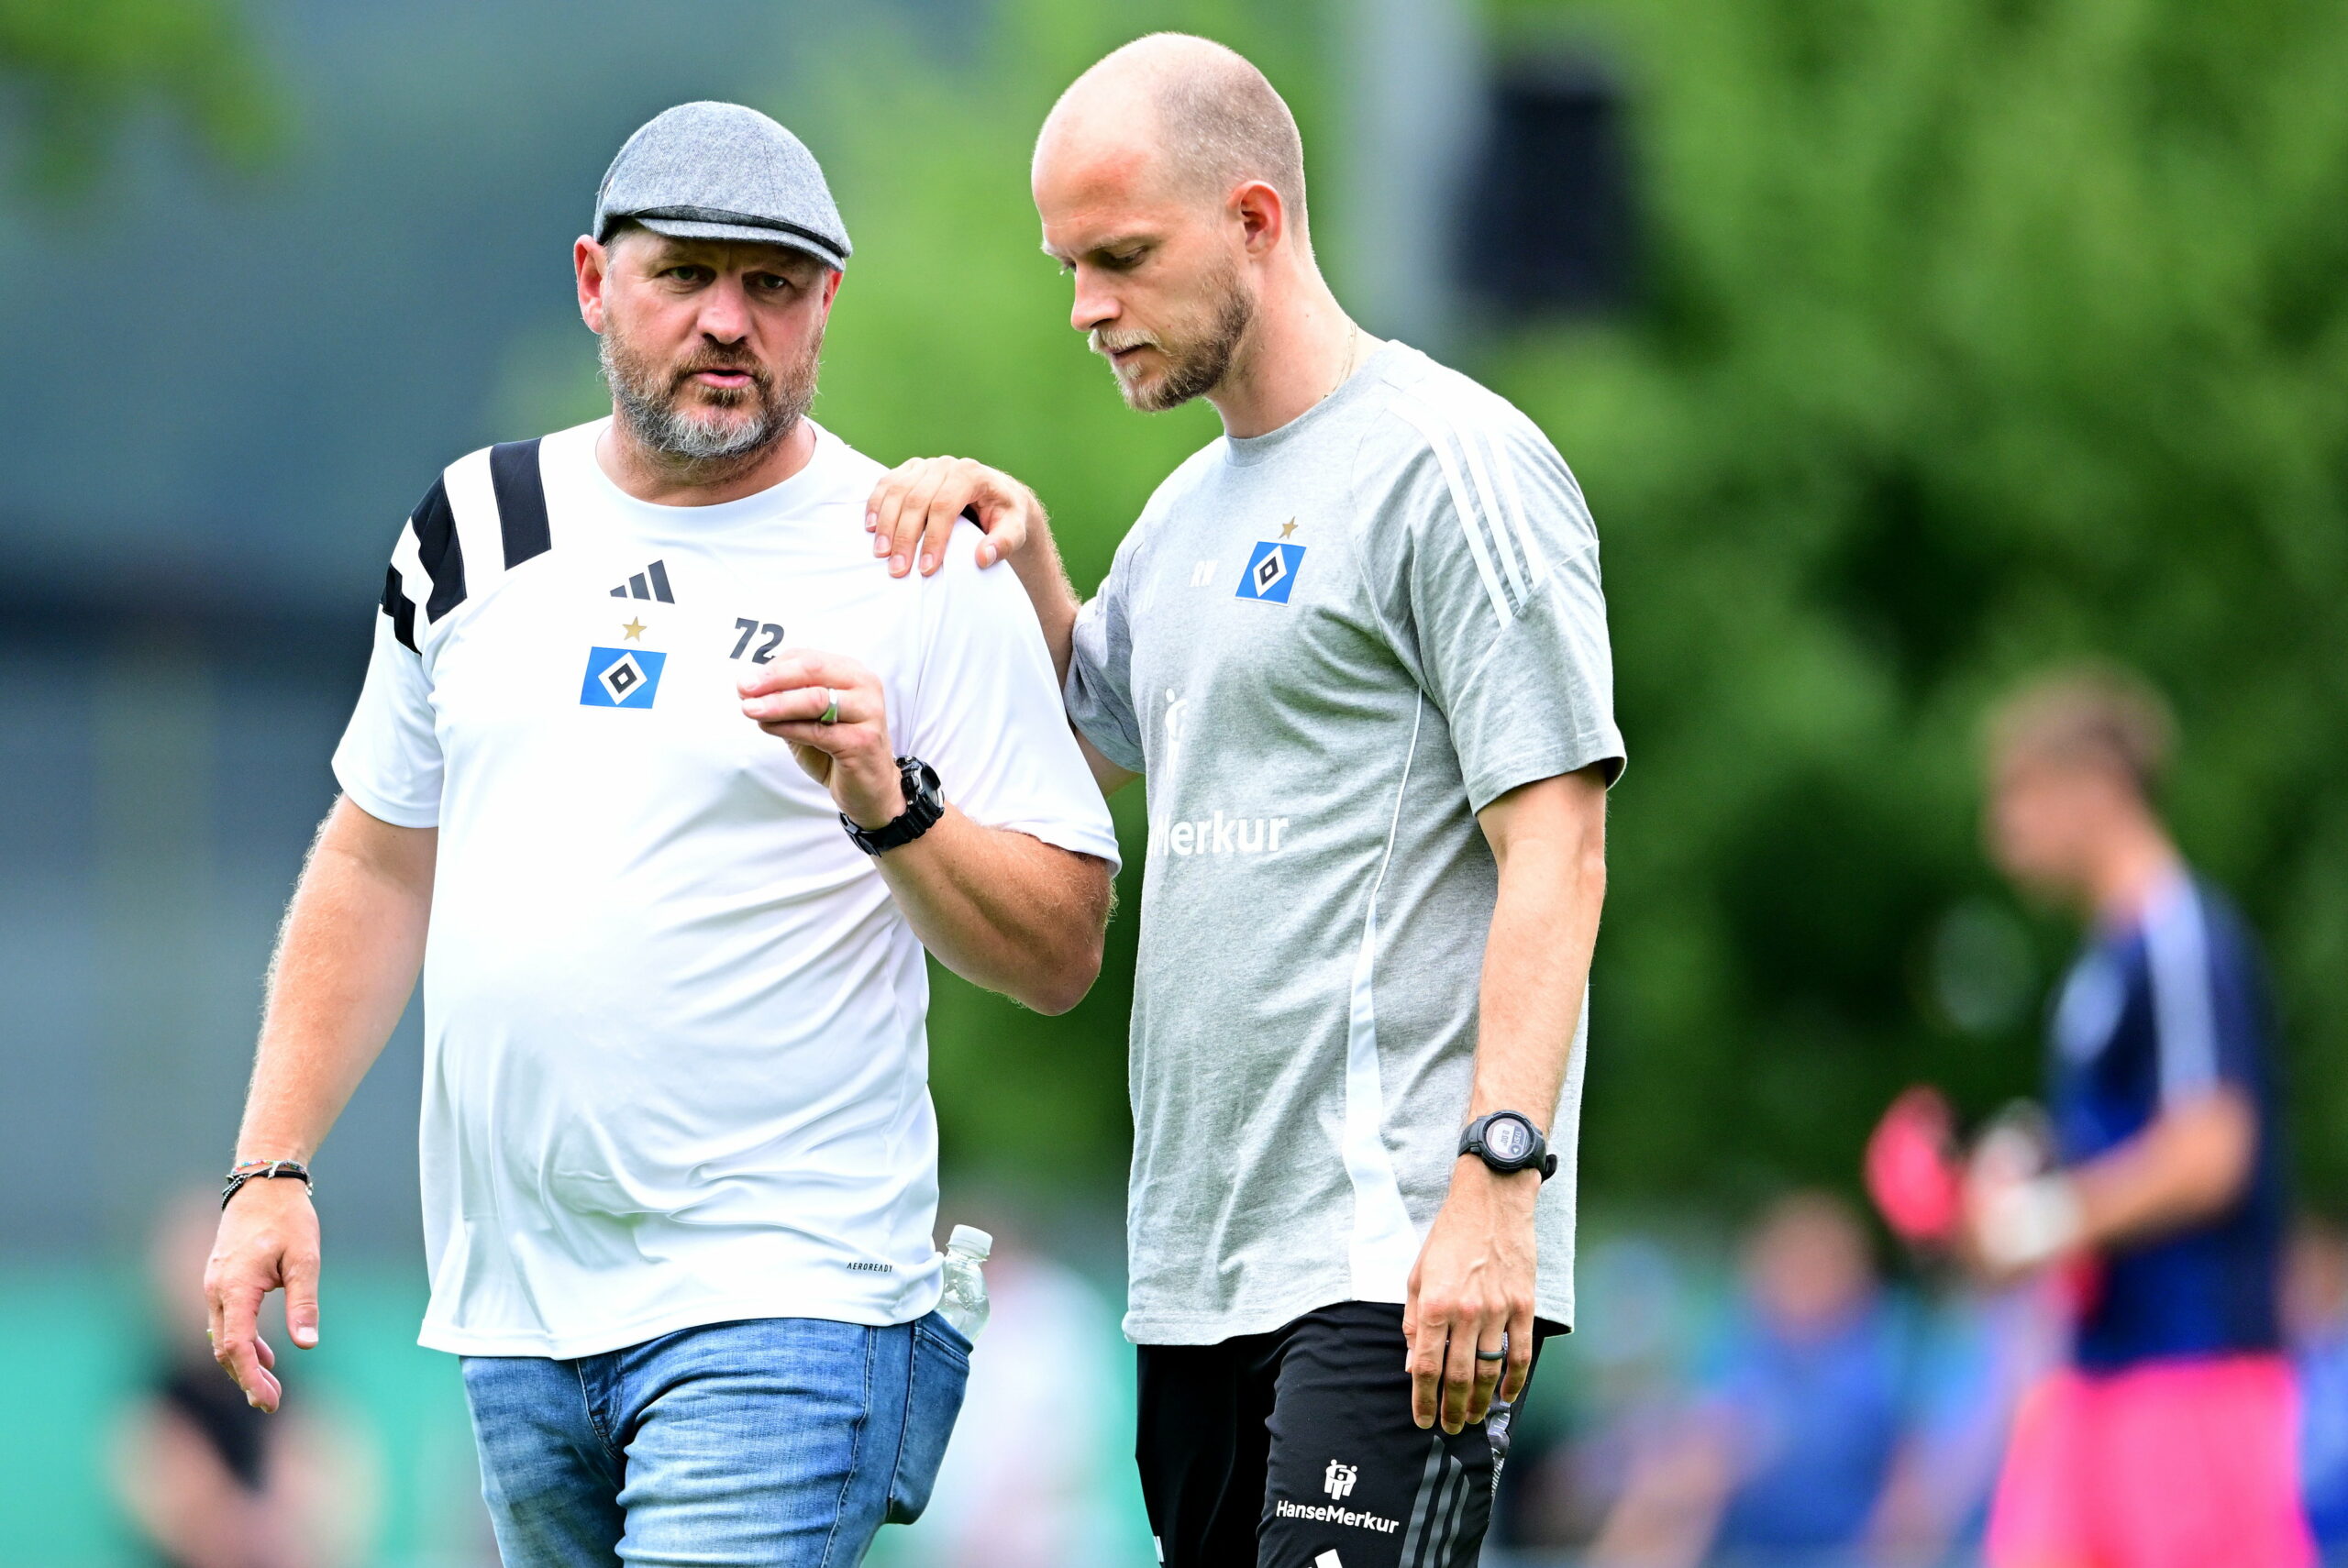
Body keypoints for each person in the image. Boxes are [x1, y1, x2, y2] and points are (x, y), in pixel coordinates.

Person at [201, 102, 1121, 1567]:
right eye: (684, 274)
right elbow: (378, 861)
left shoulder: (914, 552)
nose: (726, 320)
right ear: (592, 280)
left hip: (790, 1299)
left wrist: (892, 801)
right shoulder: (471, 525)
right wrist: (271, 1168)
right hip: (517, 1313)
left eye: (770, 284)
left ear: (826, 306)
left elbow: (1065, 941)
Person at [866, 35, 1622, 1567]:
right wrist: (1027, 567)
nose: (1085, 309)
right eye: (1068, 265)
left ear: (1257, 221)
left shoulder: (1451, 463)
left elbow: (1560, 840)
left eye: (1122, 258)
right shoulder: (1180, 512)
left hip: (1393, 1256)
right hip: (1196, 1271)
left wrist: (1497, 1184)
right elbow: (1121, 735)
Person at [1971, 666, 2312, 1568]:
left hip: (2192, 1373)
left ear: (2097, 788)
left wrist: (2037, 1223)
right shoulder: (2101, 962)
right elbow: (2107, 1153)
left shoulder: (2178, 932)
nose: (2004, 831)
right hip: (2096, 1374)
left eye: (2022, 795)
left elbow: (2210, 1149)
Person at [1589, 1192, 1910, 1568]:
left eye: (1811, 1267)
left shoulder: (1881, 1356)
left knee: (1699, 1468)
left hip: (1840, 1552)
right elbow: (1705, 1414)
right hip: (1740, 1547)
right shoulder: (1751, 1345)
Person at [115, 1196, 374, 1568]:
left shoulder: (309, 1415)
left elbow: (331, 1514)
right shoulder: (153, 1421)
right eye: (196, 1270)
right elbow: (191, 1524)